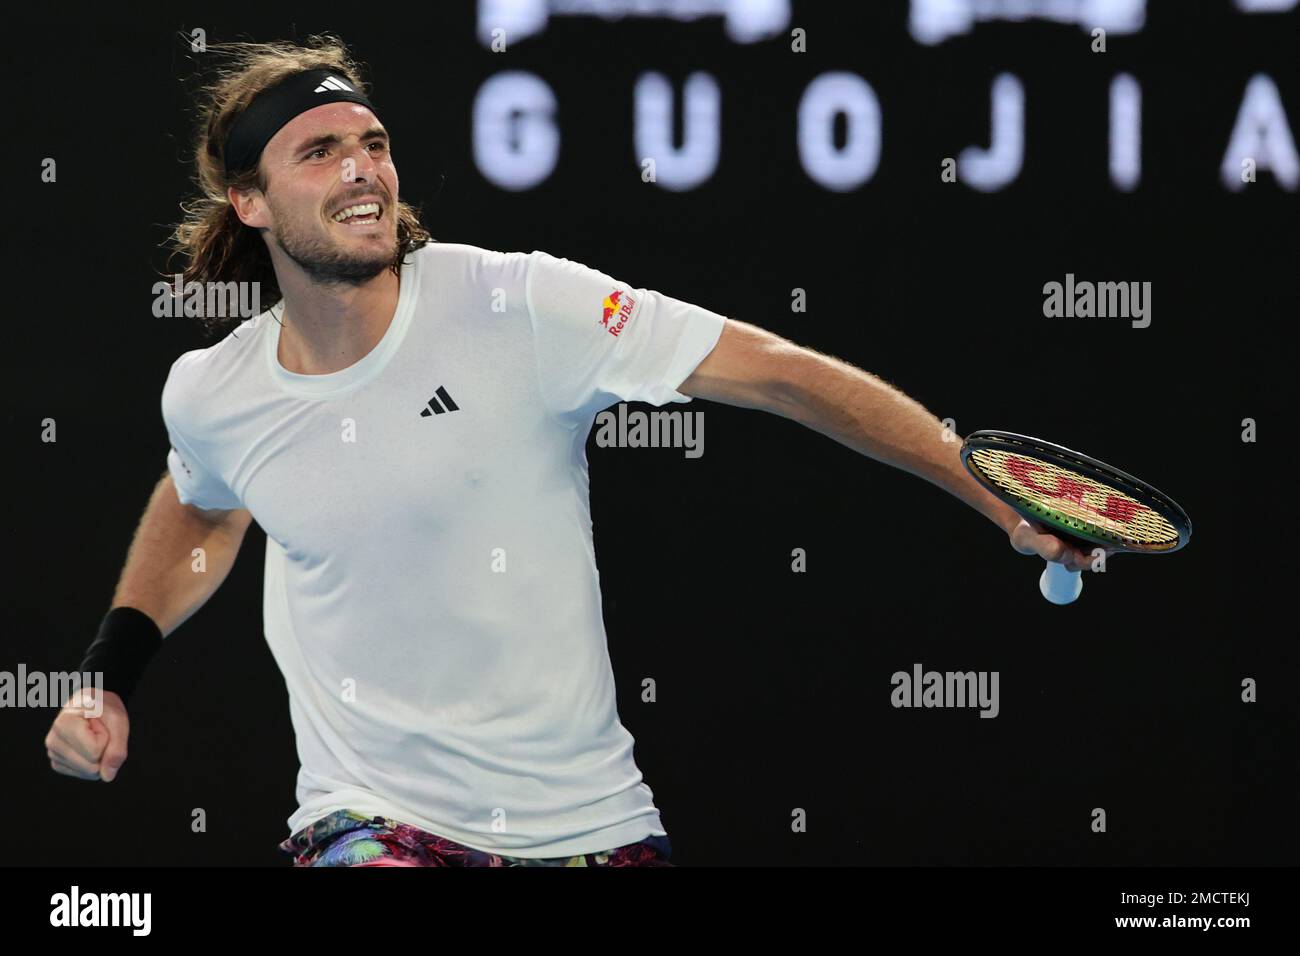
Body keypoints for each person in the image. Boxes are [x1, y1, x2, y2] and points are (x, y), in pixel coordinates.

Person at [44, 36, 1096, 867]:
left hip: (594, 826)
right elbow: (204, 501)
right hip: (369, 822)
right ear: (250, 201)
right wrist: (108, 673)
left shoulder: (522, 303)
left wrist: (993, 494)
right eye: (319, 151)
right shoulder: (216, 389)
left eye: (373, 142)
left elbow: (779, 370)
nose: (364, 168)